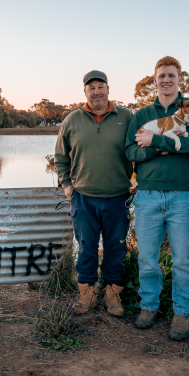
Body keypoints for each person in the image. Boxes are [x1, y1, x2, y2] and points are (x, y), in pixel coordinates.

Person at [125, 56, 189, 341]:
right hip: (147, 195)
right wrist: (162, 149)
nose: (166, 80)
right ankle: (149, 306)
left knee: (183, 259)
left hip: (183, 196)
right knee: (148, 258)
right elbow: (131, 152)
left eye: (171, 75)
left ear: (180, 79)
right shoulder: (141, 114)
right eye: (161, 76)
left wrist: (156, 141)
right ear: (155, 79)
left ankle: (182, 312)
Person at [54, 70, 134, 317]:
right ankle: (86, 293)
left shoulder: (127, 117)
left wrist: (137, 179)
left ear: (108, 89)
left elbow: (139, 150)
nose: (96, 91)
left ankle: (113, 294)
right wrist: (67, 184)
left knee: (116, 248)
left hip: (118, 197)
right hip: (83, 197)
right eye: (92, 88)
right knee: (86, 247)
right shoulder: (72, 120)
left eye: (101, 86)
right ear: (85, 92)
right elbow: (60, 157)